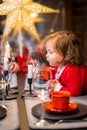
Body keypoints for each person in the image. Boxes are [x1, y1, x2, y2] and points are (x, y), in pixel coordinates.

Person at [40, 31, 87, 96]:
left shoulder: (72, 70)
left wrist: (57, 87)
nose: (46, 55)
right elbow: (64, 84)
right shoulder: (58, 67)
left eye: (50, 52)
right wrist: (53, 84)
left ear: (66, 53)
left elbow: (74, 92)